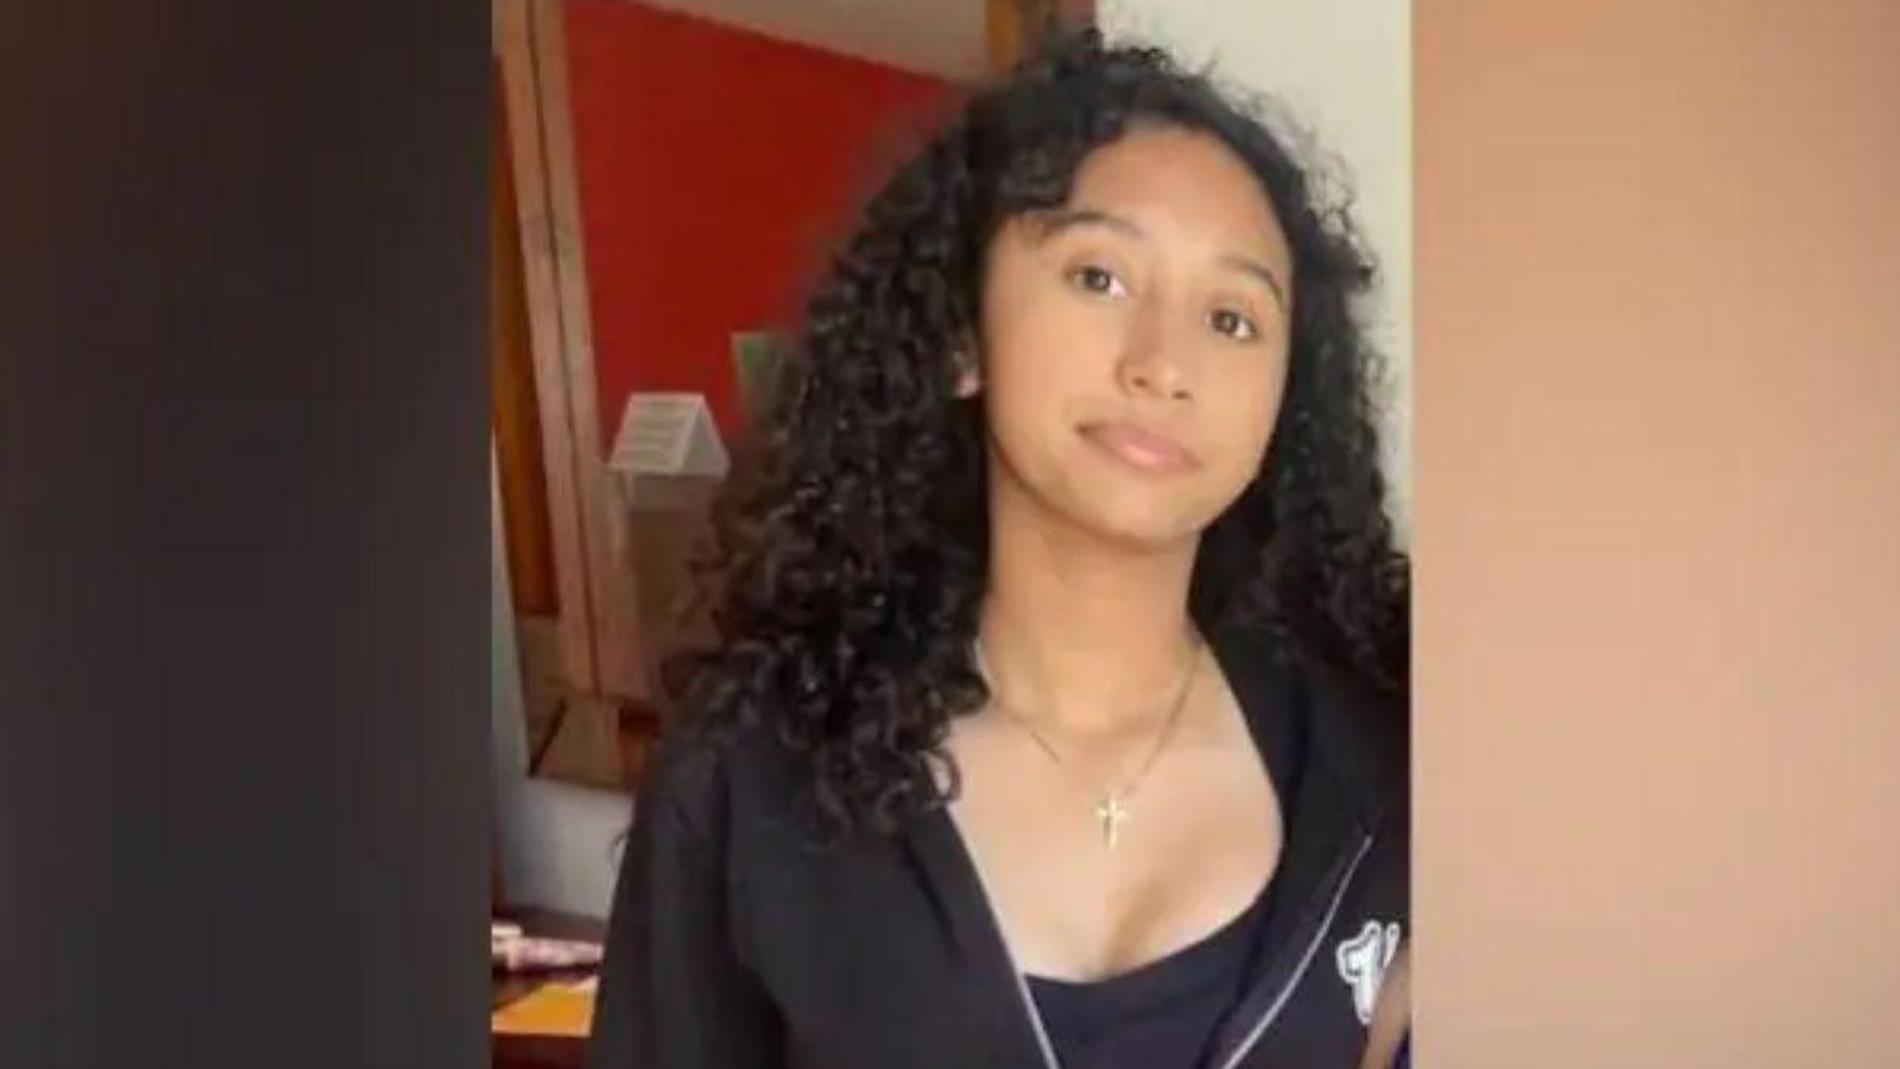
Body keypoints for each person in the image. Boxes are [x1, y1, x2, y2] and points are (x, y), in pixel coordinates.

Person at [587, 29, 1409, 1069]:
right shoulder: (750, 780)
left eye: (1233, 319)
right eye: (1098, 276)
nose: (1164, 364)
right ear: (963, 337)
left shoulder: (1382, 750)